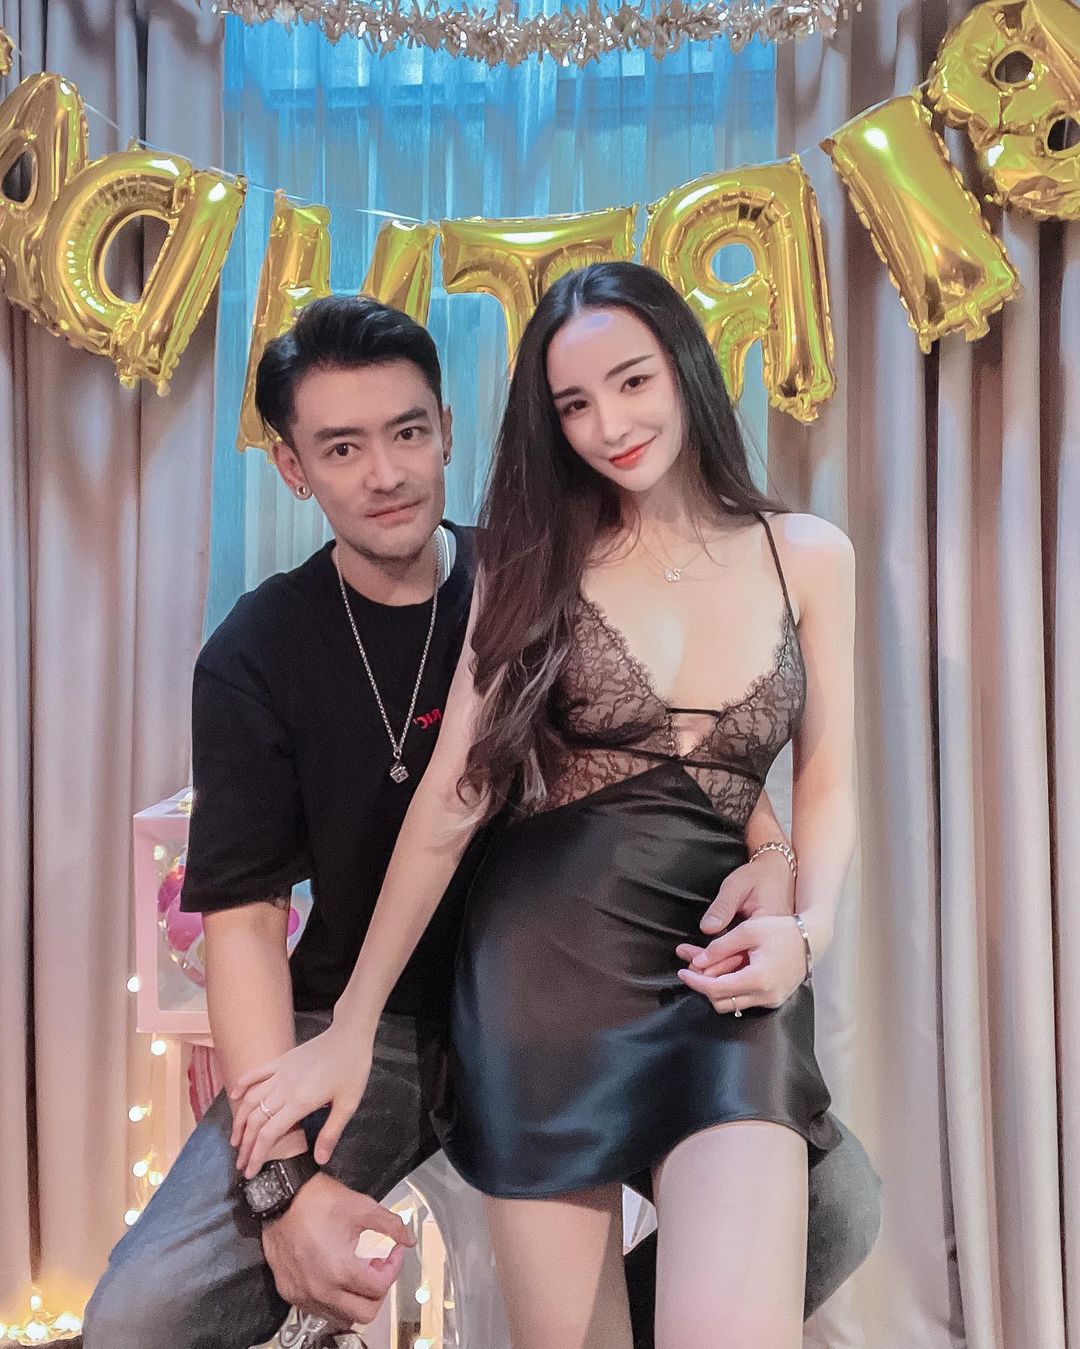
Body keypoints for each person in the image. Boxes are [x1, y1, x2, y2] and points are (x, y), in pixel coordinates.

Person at [81, 294, 878, 1349]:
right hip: (387, 1023)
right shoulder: (260, 648)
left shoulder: (554, 556)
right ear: (293, 467)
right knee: (141, 1315)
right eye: (343, 447)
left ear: (448, 430)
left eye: (408, 431)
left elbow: (695, 740)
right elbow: (243, 918)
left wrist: (772, 857)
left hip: (608, 969)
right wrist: (284, 1183)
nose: (386, 472)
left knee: (837, 1203)